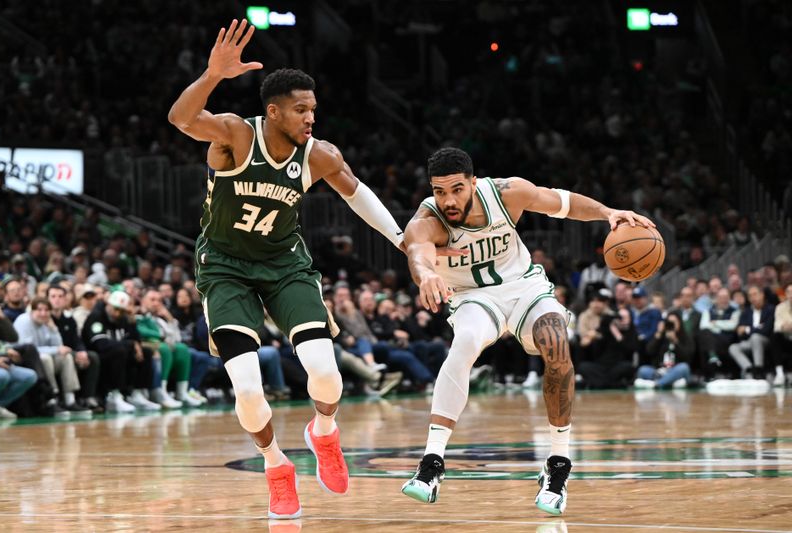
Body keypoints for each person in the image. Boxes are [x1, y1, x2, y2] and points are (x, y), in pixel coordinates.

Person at [167, 19, 429, 519]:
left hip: (285, 264)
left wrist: (399, 238)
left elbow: (357, 193)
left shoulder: (320, 155)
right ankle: (275, 465)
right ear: (273, 111)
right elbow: (181, 117)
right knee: (246, 386)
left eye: (314, 109)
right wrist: (211, 75)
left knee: (327, 375)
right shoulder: (235, 135)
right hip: (225, 267)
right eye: (301, 110)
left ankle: (324, 432)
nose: (312, 118)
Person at [400, 147, 653, 515]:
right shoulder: (429, 219)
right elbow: (417, 251)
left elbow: (561, 202)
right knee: (466, 341)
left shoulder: (507, 193)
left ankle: (558, 464)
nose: (448, 200)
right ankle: (432, 462)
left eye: (456, 189)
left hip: (524, 287)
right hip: (474, 297)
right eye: (440, 191)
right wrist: (426, 275)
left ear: (473, 182)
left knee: (555, 339)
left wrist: (608, 213)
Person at [634, 311, 693, 389]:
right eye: (669, 322)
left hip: (676, 371)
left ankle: (657, 384)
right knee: (643, 370)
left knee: (684, 367)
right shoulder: (661, 337)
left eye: (674, 322)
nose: (671, 325)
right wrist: (659, 333)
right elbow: (649, 351)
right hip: (660, 372)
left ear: (680, 323)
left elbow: (687, 356)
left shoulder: (685, 338)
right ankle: (669, 383)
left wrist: (675, 341)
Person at [728, 285, 775, 378]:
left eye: (755, 294)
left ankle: (759, 370)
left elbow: (766, 330)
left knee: (756, 337)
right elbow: (740, 334)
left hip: (766, 341)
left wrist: (747, 329)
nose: (753, 298)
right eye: (750, 296)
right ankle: (749, 370)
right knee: (733, 347)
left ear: (762, 295)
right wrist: (757, 328)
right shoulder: (746, 312)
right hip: (750, 341)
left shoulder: (771, 309)